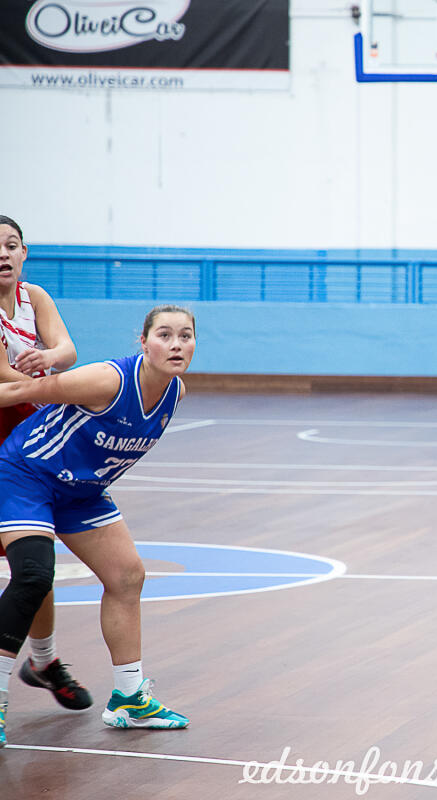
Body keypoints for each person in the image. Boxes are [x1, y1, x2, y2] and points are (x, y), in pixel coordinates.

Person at [0, 304, 197, 746]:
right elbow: (21, 391)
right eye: (164, 335)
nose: (176, 345)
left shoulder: (175, 392)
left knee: (127, 576)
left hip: (82, 490)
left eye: (185, 336)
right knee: (33, 574)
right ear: (143, 342)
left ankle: (129, 699)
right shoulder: (107, 380)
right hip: (26, 475)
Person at [0, 215, 92, 711]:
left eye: (11, 244)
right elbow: (5, 379)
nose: (3, 254)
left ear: (24, 253)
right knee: (30, 566)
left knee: (35, 563)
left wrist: (50, 361)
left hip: (32, 440)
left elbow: (68, 350)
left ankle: (43, 660)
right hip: (6, 435)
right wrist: (54, 380)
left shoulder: (35, 297)